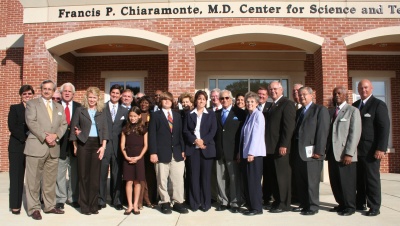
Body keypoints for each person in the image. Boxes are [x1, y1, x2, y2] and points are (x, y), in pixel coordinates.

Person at [24, 80, 68, 220]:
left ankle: (49, 206)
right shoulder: (32, 104)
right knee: (33, 180)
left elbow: (64, 124)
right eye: (45, 88)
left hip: (53, 148)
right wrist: (45, 137)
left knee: (49, 181)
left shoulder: (59, 107)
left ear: (54, 90)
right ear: (41, 89)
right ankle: (34, 208)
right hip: (36, 146)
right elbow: (31, 122)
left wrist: (56, 136)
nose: (47, 91)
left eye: (50, 89)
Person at [353, 79, 390, 216]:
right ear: (358, 89)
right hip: (356, 150)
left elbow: (384, 128)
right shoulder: (355, 105)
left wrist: (381, 148)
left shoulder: (378, 105)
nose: (364, 90)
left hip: (371, 150)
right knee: (359, 178)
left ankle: (374, 206)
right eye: (361, 88)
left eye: (366, 88)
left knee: (371, 179)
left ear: (372, 88)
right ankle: (360, 202)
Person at [70, 87, 108, 215]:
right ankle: (84, 206)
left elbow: (105, 129)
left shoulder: (102, 111)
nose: (92, 100)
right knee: (83, 175)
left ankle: (93, 205)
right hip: (83, 144)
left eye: (94, 97)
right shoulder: (80, 110)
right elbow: (73, 128)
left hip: (97, 144)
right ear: (87, 97)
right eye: (90, 97)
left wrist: (103, 147)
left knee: (94, 177)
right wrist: (75, 145)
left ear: (98, 99)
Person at [292, 86, 330, 215]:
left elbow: (322, 132)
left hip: (313, 153)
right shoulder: (299, 112)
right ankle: (304, 204)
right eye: (300, 95)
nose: (302, 97)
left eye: (304, 94)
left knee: (312, 182)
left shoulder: (320, 110)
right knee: (301, 181)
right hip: (299, 153)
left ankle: (313, 207)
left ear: (311, 95)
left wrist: (319, 150)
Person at [148, 92, 188, 214]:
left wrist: (182, 150)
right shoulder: (155, 115)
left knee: (178, 179)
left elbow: (180, 134)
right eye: (164, 100)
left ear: (172, 102)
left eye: (169, 100)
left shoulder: (177, 116)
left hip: (176, 152)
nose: (166, 101)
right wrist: (153, 152)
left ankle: (178, 202)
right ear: (161, 102)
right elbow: (152, 135)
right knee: (162, 179)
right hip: (161, 153)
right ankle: (164, 202)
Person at [327, 86, 361, 216]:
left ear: (345, 95)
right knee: (335, 182)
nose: (337, 95)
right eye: (335, 93)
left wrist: (349, 153)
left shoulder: (352, 111)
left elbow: (354, 133)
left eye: (340, 93)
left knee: (347, 183)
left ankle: (350, 206)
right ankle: (341, 204)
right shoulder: (331, 112)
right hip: (332, 154)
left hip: (345, 155)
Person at [183, 90, 217, 212]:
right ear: (196, 100)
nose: (201, 101)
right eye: (199, 98)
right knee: (194, 177)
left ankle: (205, 203)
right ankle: (194, 203)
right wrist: (195, 141)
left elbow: (213, 130)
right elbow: (186, 131)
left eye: (203, 99)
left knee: (205, 178)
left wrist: (203, 141)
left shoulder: (211, 114)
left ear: (206, 100)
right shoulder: (189, 114)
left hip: (206, 149)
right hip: (193, 150)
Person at [264, 81, 296, 213]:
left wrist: (284, 144)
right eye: (270, 89)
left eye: (275, 89)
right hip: (270, 148)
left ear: (281, 89)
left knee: (282, 177)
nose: (273, 91)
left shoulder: (287, 104)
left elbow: (288, 127)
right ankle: (277, 201)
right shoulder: (271, 105)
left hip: (280, 148)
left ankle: (284, 203)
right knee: (274, 177)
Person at [214, 90, 246, 213]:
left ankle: (235, 202)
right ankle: (223, 201)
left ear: (231, 99)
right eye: (222, 98)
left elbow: (242, 135)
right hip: (219, 151)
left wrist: (239, 151)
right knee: (220, 179)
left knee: (234, 179)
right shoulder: (216, 114)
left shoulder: (240, 113)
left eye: (227, 98)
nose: (224, 100)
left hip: (233, 152)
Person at [99, 84, 128, 210]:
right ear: (109, 93)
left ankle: (116, 200)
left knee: (117, 175)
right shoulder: (101, 108)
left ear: (120, 95)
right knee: (102, 174)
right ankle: (101, 200)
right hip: (104, 146)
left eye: (117, 93)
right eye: (113, 93)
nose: (115, 95)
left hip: (118, 148)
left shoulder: (125, 111)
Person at [8, 85, 34, 215]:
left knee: (33, 177)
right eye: (24, 94)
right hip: (17, 146)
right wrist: (25, 137)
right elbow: (12, 126)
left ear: (33, 95)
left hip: (33, 147)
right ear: (21, 95)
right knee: (16, 176)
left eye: (29, 94)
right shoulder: (15, 108)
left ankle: (34, 205)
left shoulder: (36, 108)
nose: (27, 96)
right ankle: (15, 205)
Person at [239, 91, 266, 216]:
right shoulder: (248, 116)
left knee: (254, 181)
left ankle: (257, 208)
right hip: (246, 154)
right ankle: (251, 206)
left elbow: (256, 135)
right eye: (247, 102)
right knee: (248, 180)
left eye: (252, 102)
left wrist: (251, 153)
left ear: (257, 103)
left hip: (254, 155)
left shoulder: (258, 115)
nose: (249, 104)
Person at [56, 83, 82, 210]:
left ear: (73, 94)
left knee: (74, 173)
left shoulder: (79, 107)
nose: (67, 93)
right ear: (61, 93)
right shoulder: (55, 106)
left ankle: (73, 198)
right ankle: (60, 198)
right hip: (59, 144)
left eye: (69, 91)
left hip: (75, 144)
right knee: (59, 173)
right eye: (64, 91)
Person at [121, 106, 148, 215]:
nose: (132, 118)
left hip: (139, 157)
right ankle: (130, 205)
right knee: (129, 181)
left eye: (135, 116)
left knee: (137, 181)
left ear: (139, 116)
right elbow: (122, 144)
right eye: (130, 116)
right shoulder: (125, 129)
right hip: (128, 156)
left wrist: (139, 157)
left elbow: (146, 145)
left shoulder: (143, 129)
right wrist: (126, 156)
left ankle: (136, 204)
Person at [137, 95, 157, 207]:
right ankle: (139, 200)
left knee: (150, 176)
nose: (144, 105)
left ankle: (149, 199)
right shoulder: (136, 115)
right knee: (139, 176)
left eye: (146, 103)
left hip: (150, 149)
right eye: (142, 103)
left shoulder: (153, 116)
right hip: (138, 149)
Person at [257, 86, 273, 207]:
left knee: (268, 175)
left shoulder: (271, 107)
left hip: (267, 146)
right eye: (259, 94)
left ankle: (266, 198)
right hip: (256, 147)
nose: (261, 96)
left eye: (263, 94)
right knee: (257, 174)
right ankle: (257, 196)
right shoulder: (252, 107)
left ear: (267, 96)